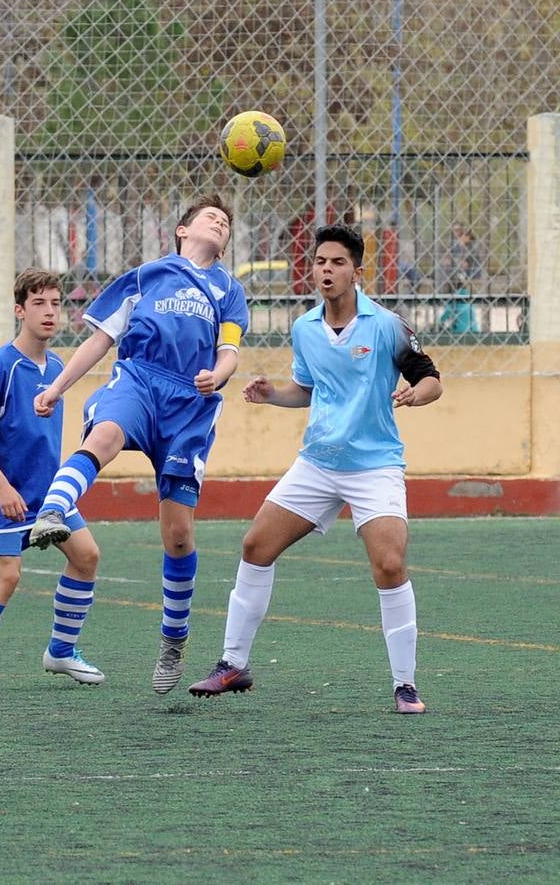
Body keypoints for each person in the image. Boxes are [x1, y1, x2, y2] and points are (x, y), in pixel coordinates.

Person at [187, 224, 443, 714]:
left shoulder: (387, 325)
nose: (326, 270)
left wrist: (414, 394)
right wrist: (272, 395)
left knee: (390, 565)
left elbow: (431, 379)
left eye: (337, 263)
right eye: (320, 262)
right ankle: (232, 665)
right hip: (318, 463)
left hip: (374, 466)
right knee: (256, 546)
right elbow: (308, 390)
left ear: (357, 272)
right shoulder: (305, 329)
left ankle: (405, 685)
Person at [27, 195, 249, 695]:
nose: (220, 223)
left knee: (177, 535)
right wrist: (57, 387)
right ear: (180, 230)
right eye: (210, 217)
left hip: (191, 399)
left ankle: (173, 640)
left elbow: (230, 349)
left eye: (226, 222)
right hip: (140, 378)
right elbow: (101, 340)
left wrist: (220, 374)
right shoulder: (147, 276)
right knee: (103, 434)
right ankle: (54, 511)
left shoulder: (230, 291)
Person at [0, 270, 104, 691]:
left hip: (46, 494)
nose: (50, 312)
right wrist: (1, 486)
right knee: (8, 576)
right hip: (1, 493)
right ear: (20, 310)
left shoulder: (56, 367)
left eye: (56, 303)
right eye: (39, 303)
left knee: (86, 556)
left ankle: (62, 652)